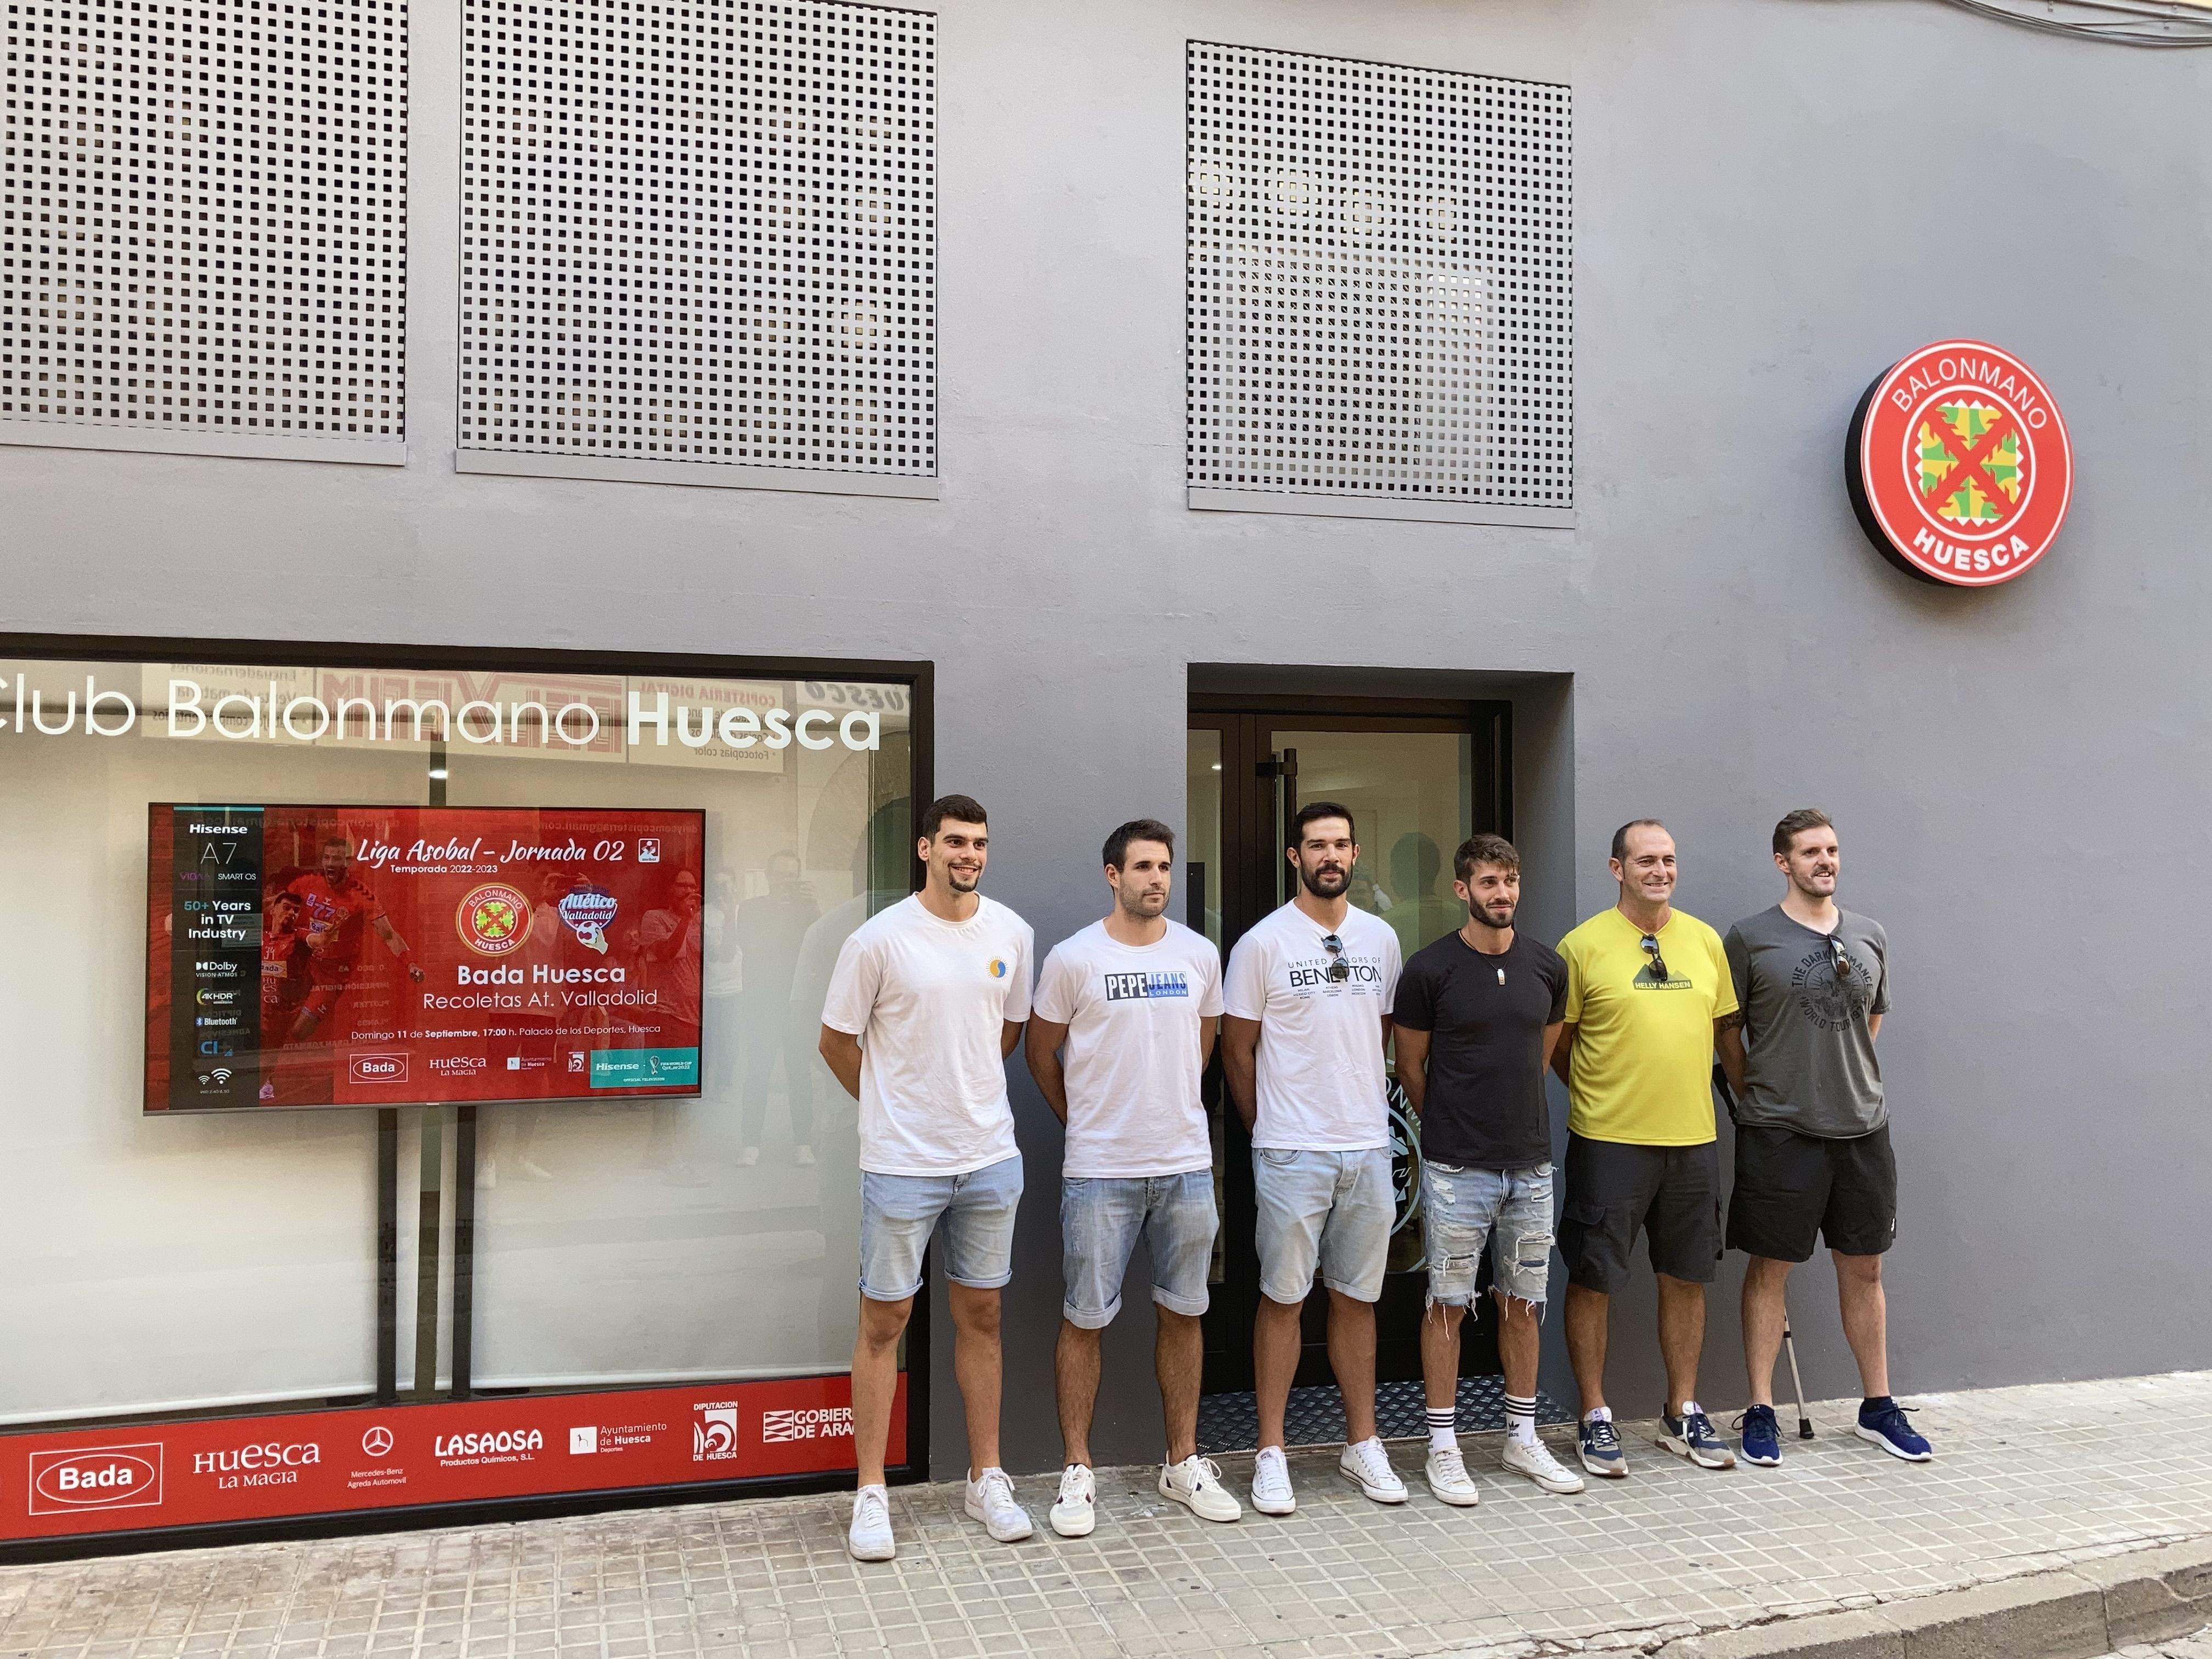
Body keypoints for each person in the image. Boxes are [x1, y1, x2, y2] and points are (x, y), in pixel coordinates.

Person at [819, 794, 1035, 1561]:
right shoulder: (878, 941)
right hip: (902, 1166)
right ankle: (871, 1493)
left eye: (978, 843)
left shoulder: (1011, 933)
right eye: (953, 842)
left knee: (983, 1318)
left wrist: (957, 1099)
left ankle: (987, 1477)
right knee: (884, 1325)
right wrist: (890, 1108)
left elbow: (1006, 1032)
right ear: (924, 848)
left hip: (988, 1160)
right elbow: (835, 1041)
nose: (967, 855)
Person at [1026, 819, 1239, 1537]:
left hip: (1184, 1167)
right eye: (1143, 867)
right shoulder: (1072, 959)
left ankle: (1182, 1462)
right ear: (1112, 875)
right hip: (1099, 1172)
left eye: (1165, 867)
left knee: (1184, 1313)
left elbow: (1204, 1043)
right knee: (1084, 1320)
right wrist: (1083, 1119)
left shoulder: (1200, 955)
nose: (1157, 879)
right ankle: (1077, 1472)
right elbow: (1041, 1053)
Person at [1720, 809, 1931, 1465]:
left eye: (1832, 849)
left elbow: (1870, 1020)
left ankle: (1877, 1407)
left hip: (1863, 1128)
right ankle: (1760, 1409)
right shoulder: (1750, 938)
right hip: (1781, 1130)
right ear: (1783, 862)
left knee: (1864, 1268)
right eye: (1811, 851)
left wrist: (1845, 1081)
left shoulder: (1870, 935)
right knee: (1770, 1269)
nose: (1826, 861)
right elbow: (1729, 1034)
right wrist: (1762, 1094)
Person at [1222, 801, 1406, 1515]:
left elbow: (1381, 1033)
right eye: (1315, 846)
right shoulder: (1263, 944)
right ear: (1294, 857)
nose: (1329, 856)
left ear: (1355, 855)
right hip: (1291, 1150)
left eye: (1340, 845)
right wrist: (1266, 1127)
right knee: (1283, 1299)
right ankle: (1272, 1451)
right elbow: (1238, 1050)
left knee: (1359, 1300)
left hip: (1365, 1144)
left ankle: (1362, 1443)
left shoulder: (1382, 939)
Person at [1392, 834, 1585, 1504]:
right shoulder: (1429, 970)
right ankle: (1442, 1446)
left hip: (1530, 1165)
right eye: (1488, 883)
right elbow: (1411, 1066)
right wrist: (1452, 1122)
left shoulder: (1546, 966)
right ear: (1461, 890)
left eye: (1509, 881)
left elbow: (1542, 1051)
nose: (1501, 894)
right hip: (1455, 1169)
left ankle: (1521, 1437)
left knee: (1523, 1302)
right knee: (1447, 1305)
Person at [1554, 820, 1740, 1478]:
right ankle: (1595, 1416)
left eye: (1669, 860)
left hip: (1693, 1141)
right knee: (1594, 1277)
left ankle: (1681, 1411)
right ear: (1616, 868)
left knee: (1686, 1278)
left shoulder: (1705, 941)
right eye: (1645, 861)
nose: (1659, 871)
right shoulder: (1581, 947)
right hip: (1608, 1142)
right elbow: (1559, 1044)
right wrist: (1603, 1095)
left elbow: (1723, 1034)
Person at [284, 833, 424, 1043]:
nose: (331, 864)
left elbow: (389, 935)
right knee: (275, 1020)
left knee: (299, 1032)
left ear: (349, 862)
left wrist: (410, 964)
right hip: (303, 962)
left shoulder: (362, 895)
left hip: (333, 974)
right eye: (327, 858)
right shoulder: (307, 884)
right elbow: (276, 908)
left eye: (337, 859)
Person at [737, 850, 822, 1166]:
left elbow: (822, 944)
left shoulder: (804, 911)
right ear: (770, 877)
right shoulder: (751, 908)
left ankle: (803, 1142)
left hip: (796, 1002)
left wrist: (812, 909)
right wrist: (784, 913)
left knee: (800, 1073)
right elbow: (753, 948)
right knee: (758, 1072)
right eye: (782, 875)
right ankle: (750, 1143)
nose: (788, 882)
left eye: (793, 876)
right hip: (762, 1002)